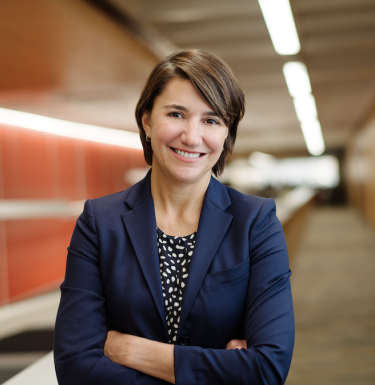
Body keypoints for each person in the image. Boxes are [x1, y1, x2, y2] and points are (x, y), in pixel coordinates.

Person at [54, 50, 294, 385]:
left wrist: (131, 351)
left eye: (211, 120)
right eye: (177, 114)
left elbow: (266, 369)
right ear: (147, 120)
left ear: (226, 134)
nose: (192, 137)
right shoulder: (99, 222)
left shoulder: (256, 221)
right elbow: (75, 365)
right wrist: (220, 371)